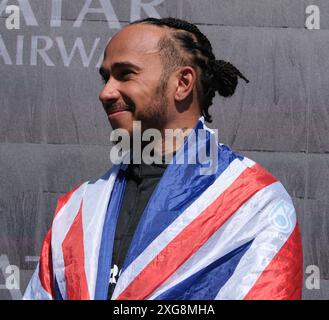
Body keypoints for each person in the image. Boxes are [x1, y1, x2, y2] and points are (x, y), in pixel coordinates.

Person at [24, 17, 303, 300]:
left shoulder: (254, 203)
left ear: (182, 83)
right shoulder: (77, 210)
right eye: (105, 76)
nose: (105, 92)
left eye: (125, 74)